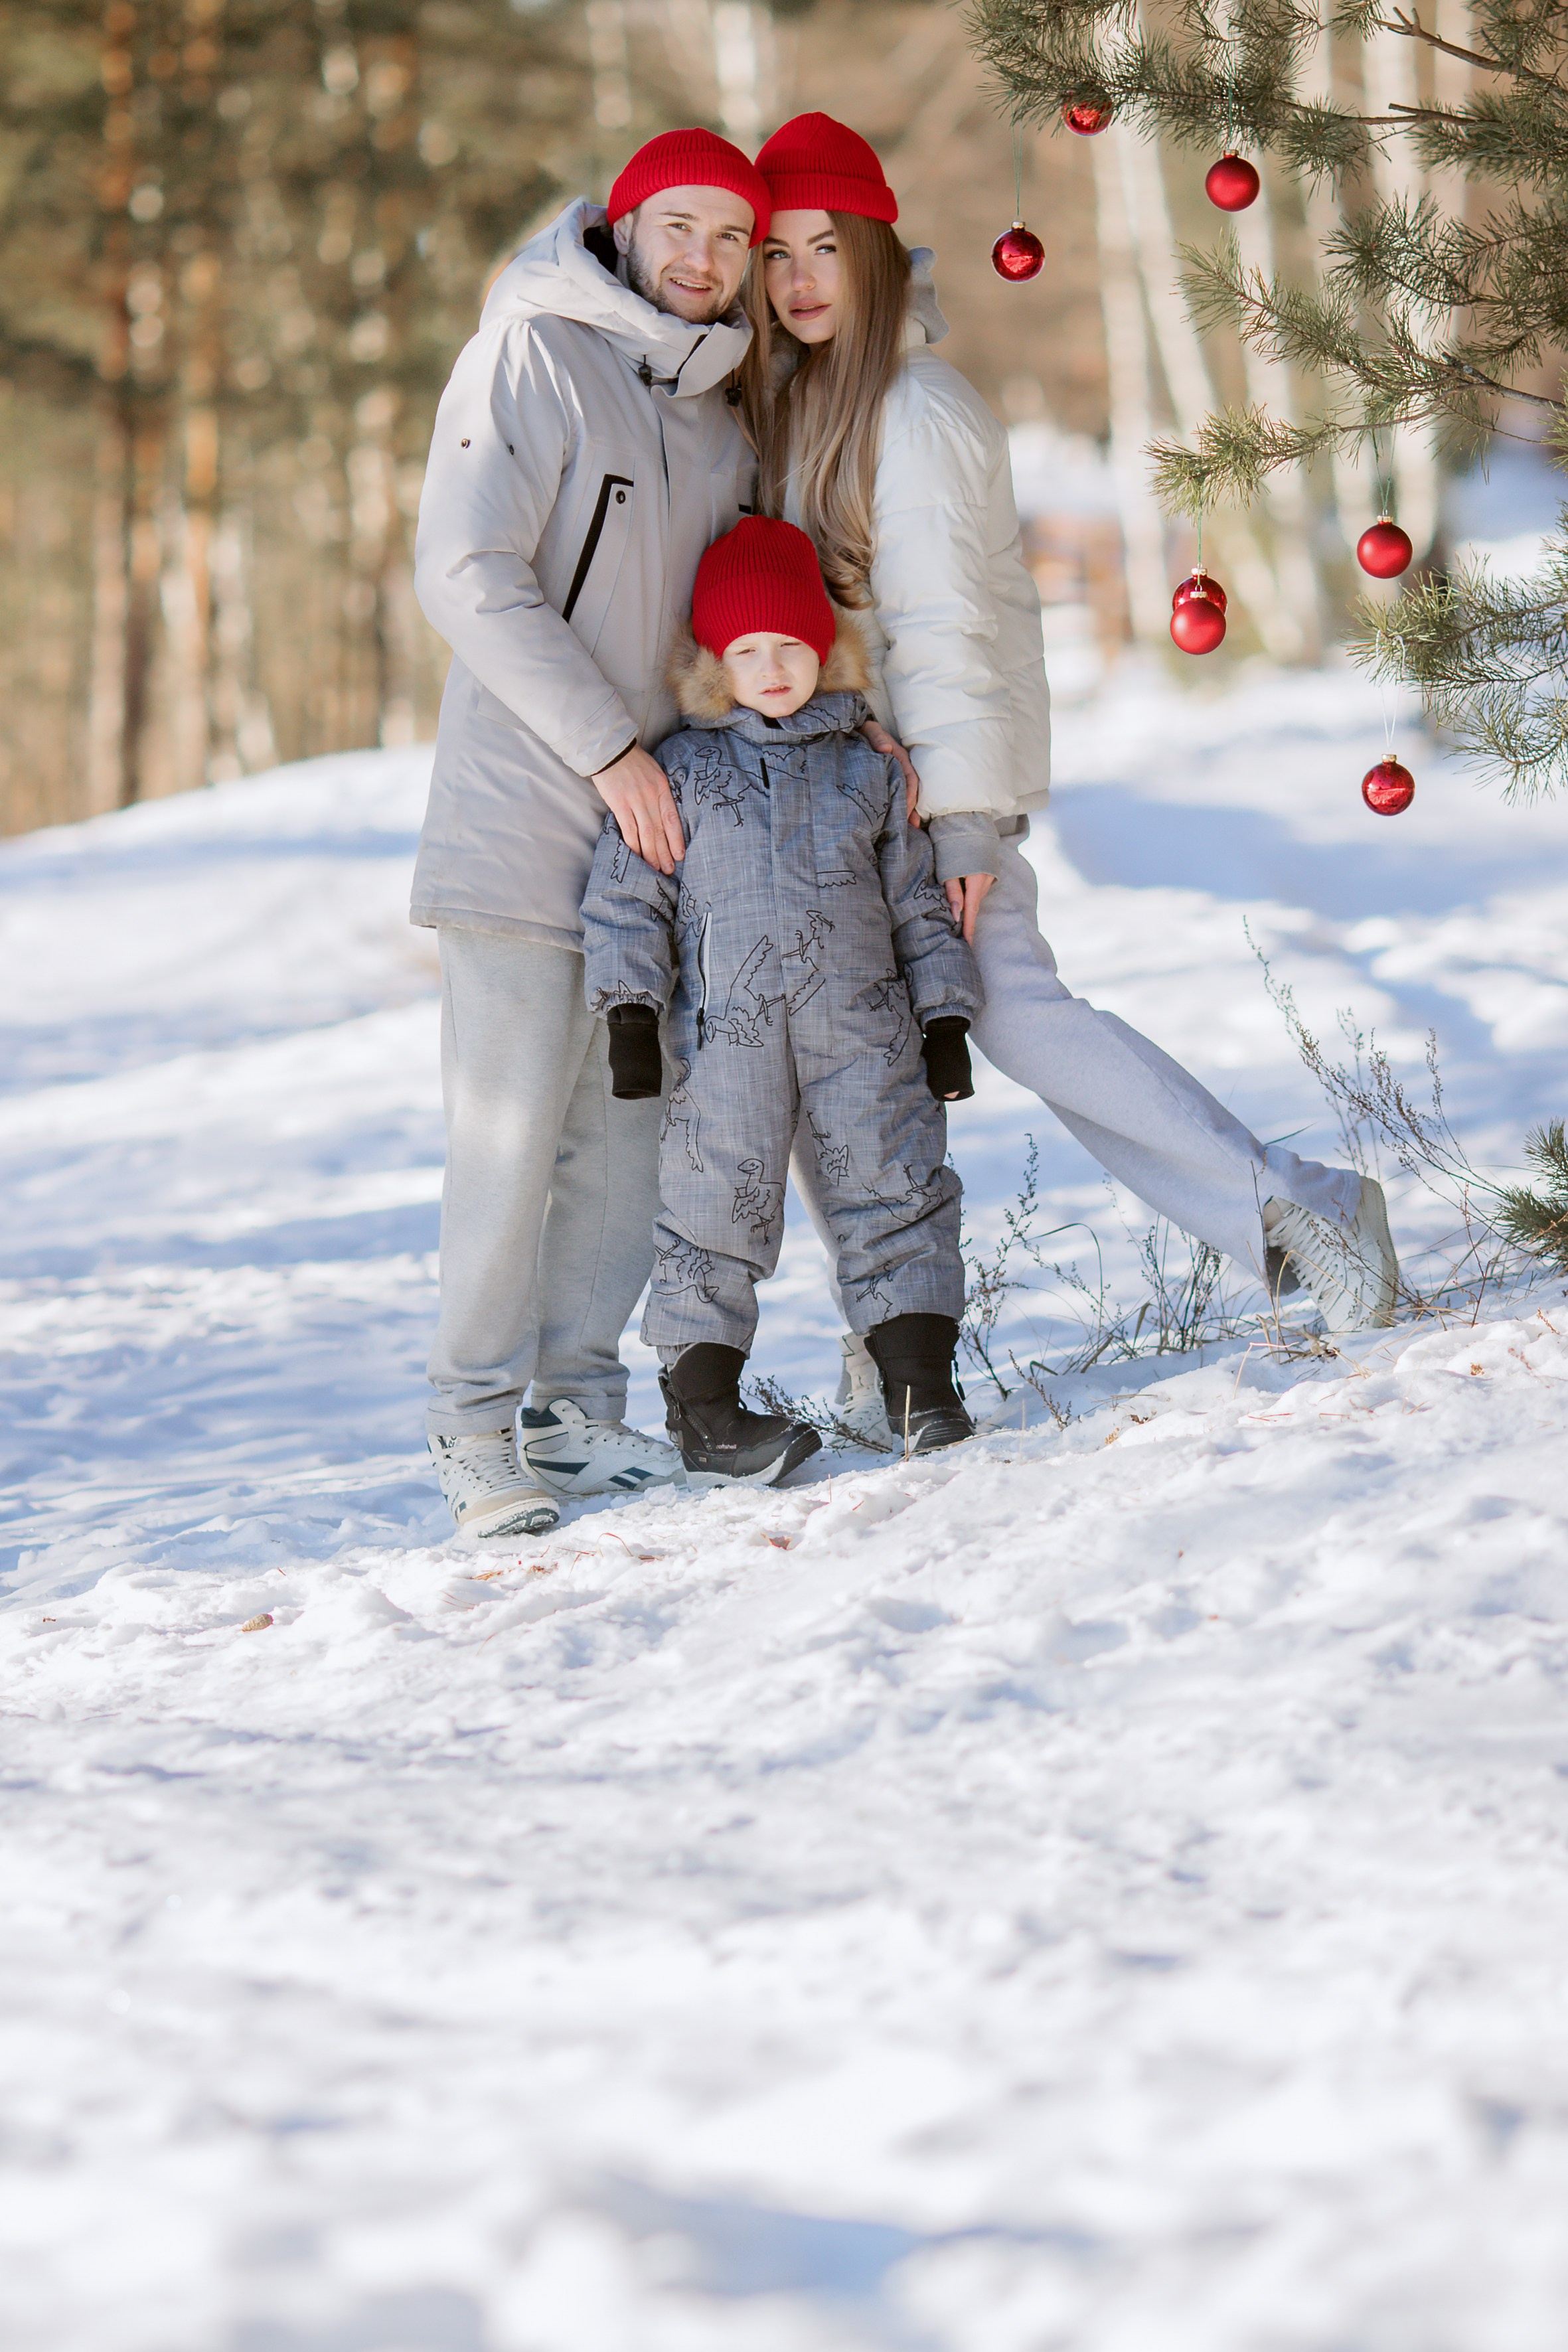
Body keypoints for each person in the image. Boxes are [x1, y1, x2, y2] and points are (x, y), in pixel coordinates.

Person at [743, 112, 1399, 1427]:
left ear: (875, 255)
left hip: (929, 801)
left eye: (826, 245)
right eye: (773, 252)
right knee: (849, 1071)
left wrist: (972, 824)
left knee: (1014, 1009)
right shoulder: (792, 405)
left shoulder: (912, 407)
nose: (799, 276)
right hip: (831, 806)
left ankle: (1301, 1212)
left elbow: (951, 628)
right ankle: (886, 1343)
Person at [411, 128, 773, 1537]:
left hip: (656, 842)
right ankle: (471, 1428)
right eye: (676, 226)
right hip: (522, 811)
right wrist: (608, 746)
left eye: (730, 237)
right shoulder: (530, 354)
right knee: (507, 1138)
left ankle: (576, 1420)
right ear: (623, 228)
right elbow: (462, 568)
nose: (701, 259)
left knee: (628, 1136)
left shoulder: (721, 410)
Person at [580, 516, 982, 1481]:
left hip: (866, 1034)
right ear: (715, 662)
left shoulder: (867, 773)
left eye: (791, 647)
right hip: (729, 1045)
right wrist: (630, 1014)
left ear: (824, 651)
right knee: (714, 1211)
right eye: (747, 651)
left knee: (896, 1187)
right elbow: (627, 898)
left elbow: (917, 906)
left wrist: (944, 1018)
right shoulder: (679, 771)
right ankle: (707, 1413)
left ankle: (920, 1386)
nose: (770, 669)